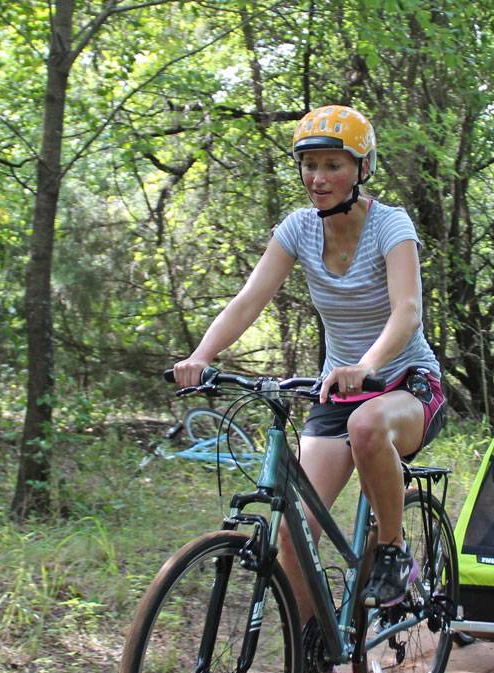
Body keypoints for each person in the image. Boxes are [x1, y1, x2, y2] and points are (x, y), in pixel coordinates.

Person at [172, 103, 446, 645]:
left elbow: (407, 310)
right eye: (308, 165)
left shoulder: (392, 225)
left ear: (361, 168)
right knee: (293, 535)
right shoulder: (297, 229)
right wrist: (202, 355)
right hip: (337, 392)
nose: (317, 178)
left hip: (407, 385)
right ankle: (311, 659)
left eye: (332, 165)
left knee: (369, 427)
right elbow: (249, 300)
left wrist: (366, 366)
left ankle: (393, 552)